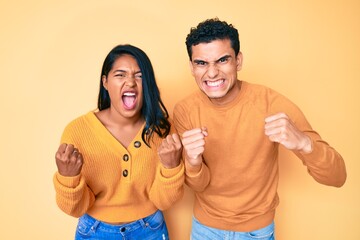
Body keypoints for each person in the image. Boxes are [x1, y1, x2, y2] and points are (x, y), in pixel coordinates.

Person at [173, 18, 347, 240]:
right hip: (204, 229)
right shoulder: (185, 110)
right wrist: (193, 162)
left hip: (257, 232)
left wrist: (304, 143)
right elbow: (199, 184)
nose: (212, 73)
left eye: (222, 60)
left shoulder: (271, 103)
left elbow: (337, 177)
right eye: (201, 63)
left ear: (238, 60)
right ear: (192, 67)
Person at [53, 44, 184, 240]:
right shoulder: (77, 131)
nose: (130, 82)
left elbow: (163, 201)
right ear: (105, 82)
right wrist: (68, 178)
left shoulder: (163, 130)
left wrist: (171, 167)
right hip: (94, 232)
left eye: (139, 76)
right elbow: (75, 209)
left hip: (150, 230)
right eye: (120, 75)